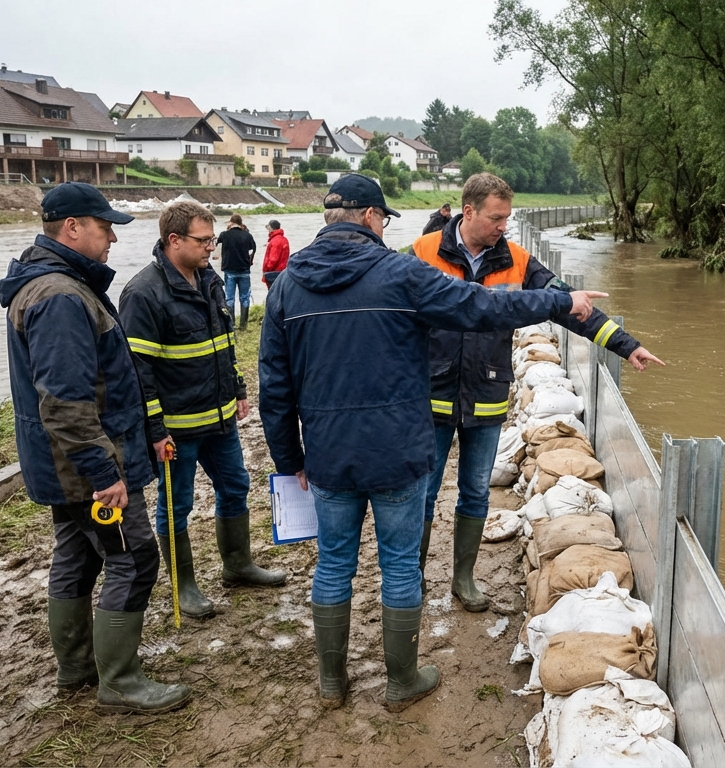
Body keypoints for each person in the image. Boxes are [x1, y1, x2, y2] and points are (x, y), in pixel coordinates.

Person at [259, 173, 609, 712]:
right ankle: (402, 681)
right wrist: (561, 300)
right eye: (382, 218)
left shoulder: (286, 286)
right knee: (400, 565)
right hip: (398, 449)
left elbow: (274, 386)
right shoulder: (401, 273)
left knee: (333, 564)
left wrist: (290, 459)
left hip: (328, 451)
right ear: (371, 217)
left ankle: (332, 683)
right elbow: (482, 306)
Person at [410, 172, 664, 612]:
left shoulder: (517, 259)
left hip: (486, 393)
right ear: (468, 212)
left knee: (475, 491)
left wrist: (625, 345)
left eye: (507, 218)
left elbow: (569, 305)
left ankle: (463, 578)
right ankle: (411, 577)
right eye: (496, 218)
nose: (503, 226)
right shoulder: (423, 251)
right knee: (422, 492)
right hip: (430, 393)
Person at [0, 182, 190, 714]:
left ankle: (77, 667)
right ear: (72, 227)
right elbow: (64, 400)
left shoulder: (55, 284)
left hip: (60, 463)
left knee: (77, 555)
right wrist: (104, 473)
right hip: (85, 465)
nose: (112, 239)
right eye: (104, 228)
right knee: (134, 557)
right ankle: (120, 682)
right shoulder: (60, 296)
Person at [119, 201, 286, 622]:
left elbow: (223, 344)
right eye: (204, 240)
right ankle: (184, 586)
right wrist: (155, 430)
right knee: (176, 505)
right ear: (173, 240)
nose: (212, 247)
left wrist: (239, 389)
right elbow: (139, 373)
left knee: (236, 487)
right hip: (176, 429)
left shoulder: (209, 280)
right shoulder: (143, 293)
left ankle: (237, 564)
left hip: (220, 419)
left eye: (213, 240)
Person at [215, 213, 257, 330]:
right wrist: (250, 261)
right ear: (240, 223)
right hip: (244, 270)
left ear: (231, 222)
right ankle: (243, 325)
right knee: (245, 297)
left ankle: (231, 324)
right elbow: (253, 250)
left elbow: (216, 250)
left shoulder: (224, 235)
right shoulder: (247, 235)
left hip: (229, 270)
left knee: (229, 298)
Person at [261, 219, 290, 288]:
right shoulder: (284, 239)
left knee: (273, 292)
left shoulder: (275, 241)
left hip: (274, 273)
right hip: (283, 271)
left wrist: (266, 271)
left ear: (271, 228)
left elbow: (273, 259)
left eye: (268, 227)